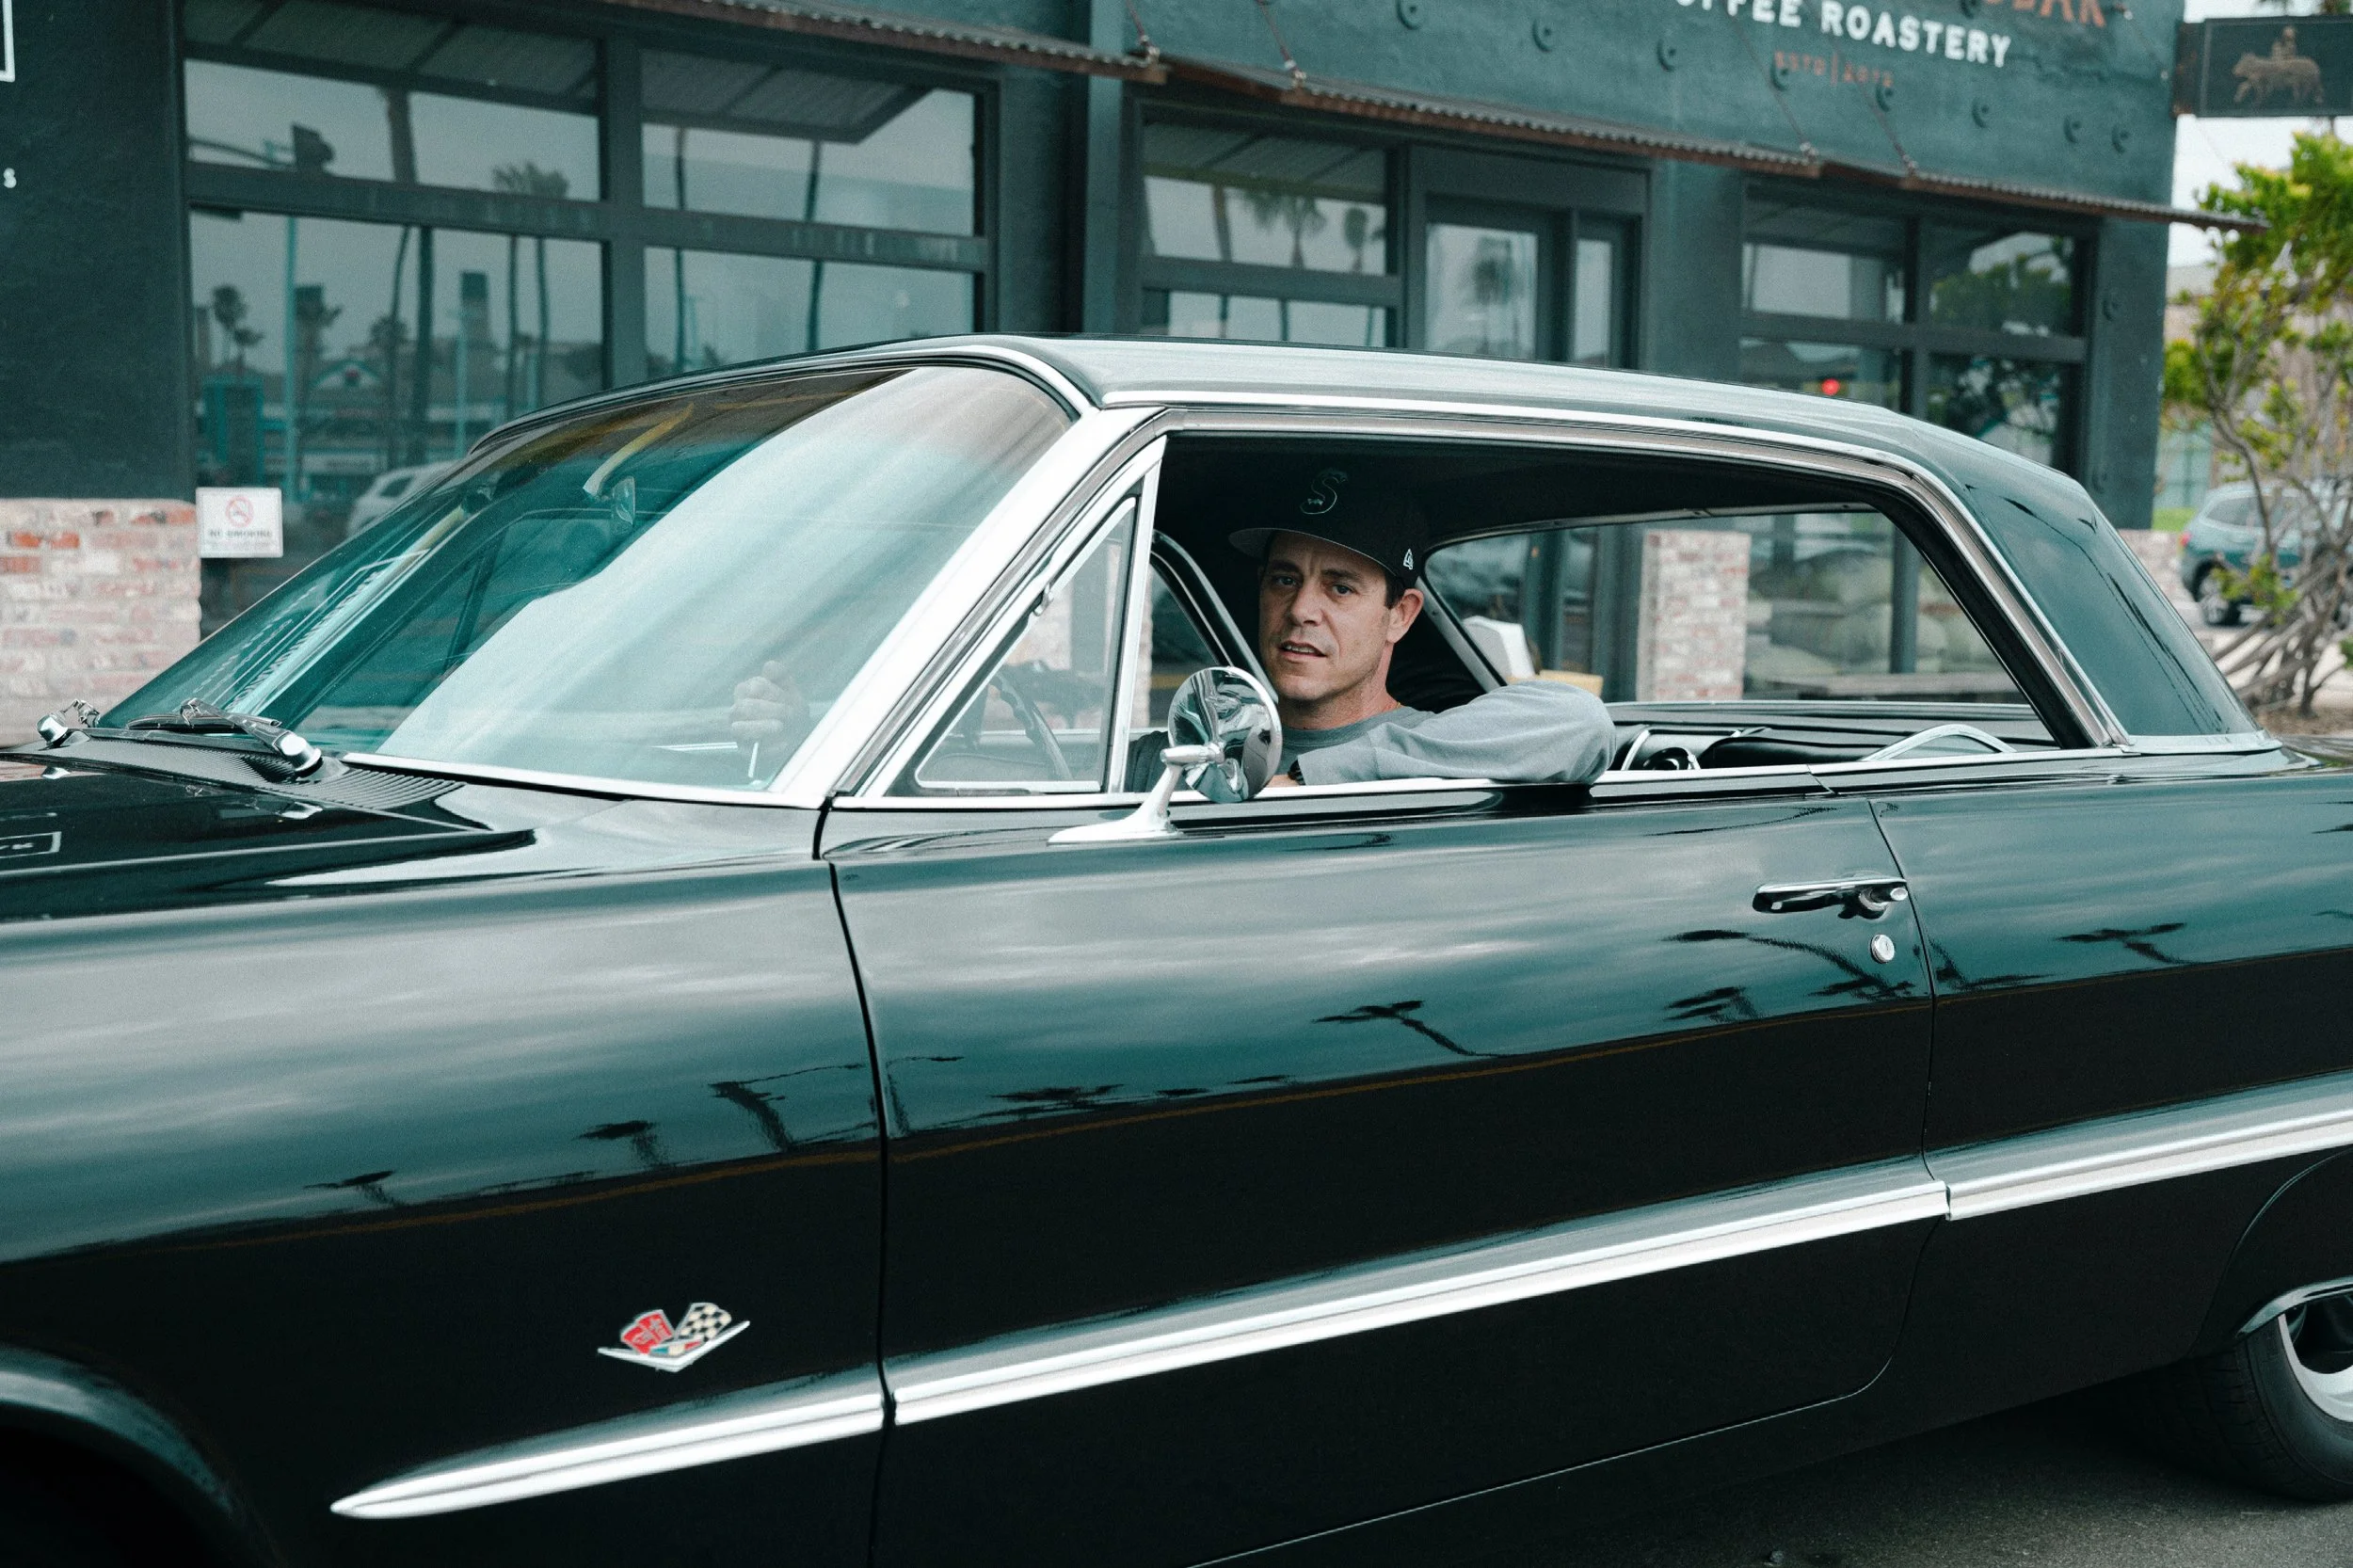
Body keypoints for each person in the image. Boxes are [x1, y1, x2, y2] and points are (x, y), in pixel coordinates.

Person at [1230, 475, 1613, 790]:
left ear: (1400, 614)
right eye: (1284, 580)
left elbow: (1581, 721)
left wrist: (1314, 776)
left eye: (1340, 588)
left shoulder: (1436, 745)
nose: (1300, 610)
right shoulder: (1215, 752)